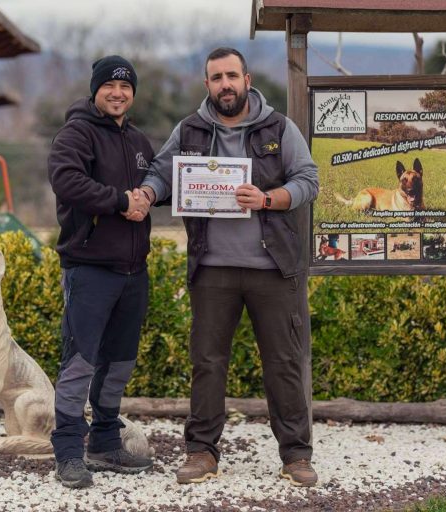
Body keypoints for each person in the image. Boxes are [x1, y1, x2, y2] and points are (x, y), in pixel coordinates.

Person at [130, 47, 319, 487]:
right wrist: (145, 194)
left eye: (232, 76)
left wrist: (269, 199)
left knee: (284, 362)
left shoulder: (278, 127)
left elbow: (308, 180)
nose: (225, 85)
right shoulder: (190, 130)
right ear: (207, 85)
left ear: (247, 80)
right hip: (212, 268)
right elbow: (162, 174)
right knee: (208, 362)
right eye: (216, 78)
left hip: (272, 268)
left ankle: (296, 455)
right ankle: (201, 452)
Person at [47, 55, 154, 489]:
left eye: (125, 87)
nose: (117, 92)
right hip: (89, 269)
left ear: (132, 94)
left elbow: (158, 185)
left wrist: (151, 193)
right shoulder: (76, 133)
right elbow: (66, 180)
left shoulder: (140, 141)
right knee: (80, 363)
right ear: (95, 90)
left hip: (133, 271)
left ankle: (105, 443)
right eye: (109, 85)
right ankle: (69, 452)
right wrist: (119, 201)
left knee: (119, 364)